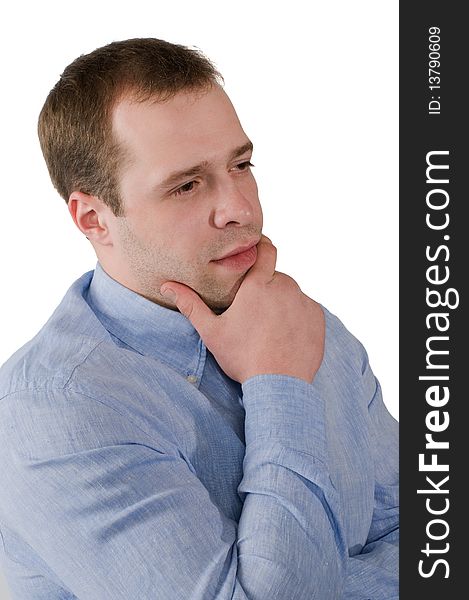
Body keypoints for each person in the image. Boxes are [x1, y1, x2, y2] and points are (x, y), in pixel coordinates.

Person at [0, 38, 398, 599]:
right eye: (186, 185)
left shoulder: (304, 324)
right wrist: (279, 382)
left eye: (241, 165)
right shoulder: (52, 411)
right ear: (93, 218)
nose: (239, 208)